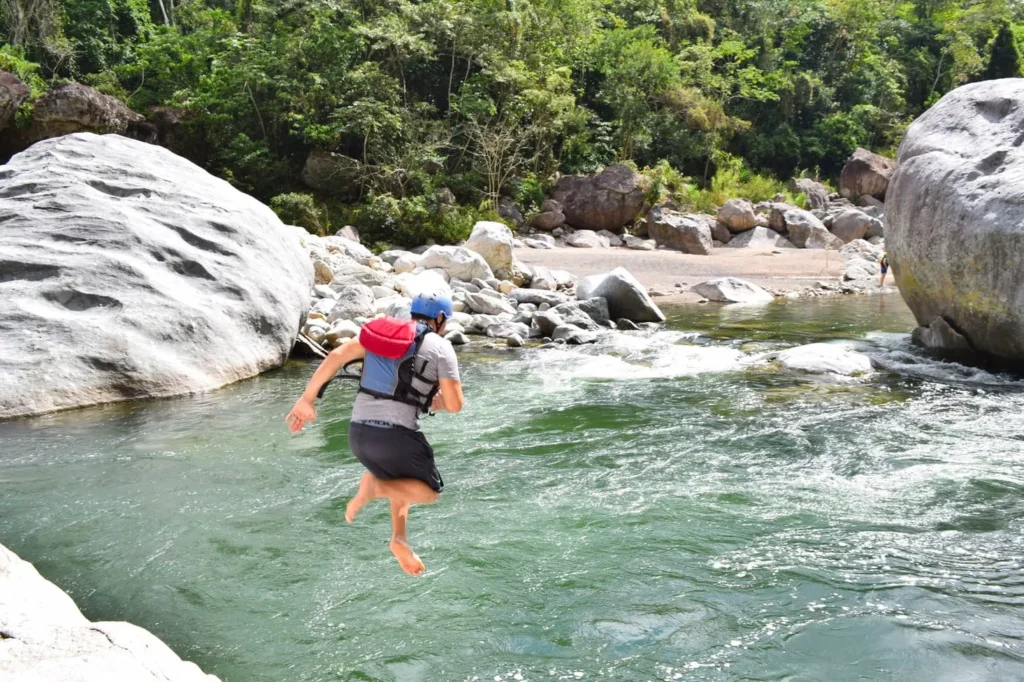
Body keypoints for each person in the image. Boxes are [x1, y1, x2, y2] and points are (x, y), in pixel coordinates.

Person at [285, 292, 464, 576]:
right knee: (428, 492)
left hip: (359, 434)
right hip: (395, 437)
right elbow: (455, 405)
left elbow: (336, 355)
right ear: (440, 319)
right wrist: (438, 400)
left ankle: (399, 537)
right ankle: (374, 488)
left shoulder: (385, 337)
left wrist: (307, 399)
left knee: (401, 480)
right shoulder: (440, 347)